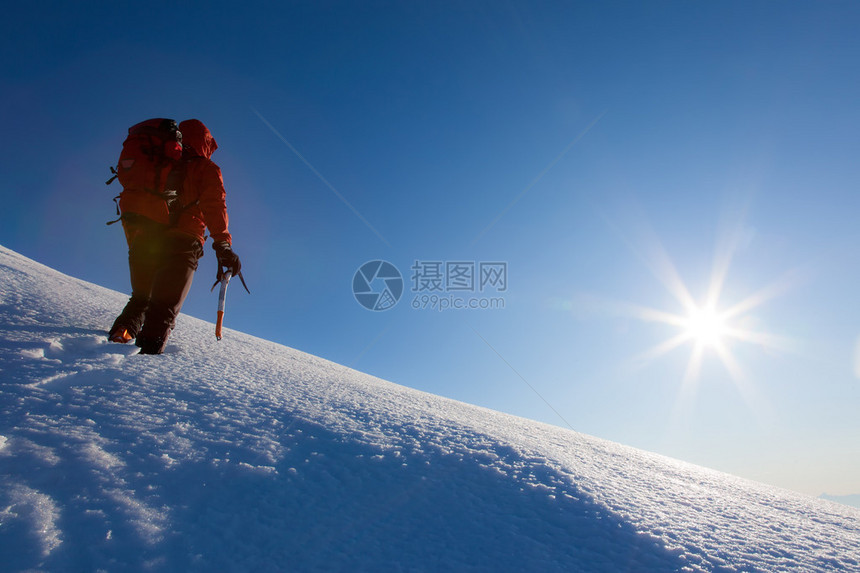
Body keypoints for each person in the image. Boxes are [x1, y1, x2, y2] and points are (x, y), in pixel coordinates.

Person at [108, 119, 242, 354]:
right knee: (162, 308)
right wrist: (223, 244)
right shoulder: (205, 168)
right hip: (183, 241)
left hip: (145, 237)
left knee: (140, 297)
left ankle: (121, 335)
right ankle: (140, 369)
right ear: (205, 142)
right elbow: (215, 204)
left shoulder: (160, 161)